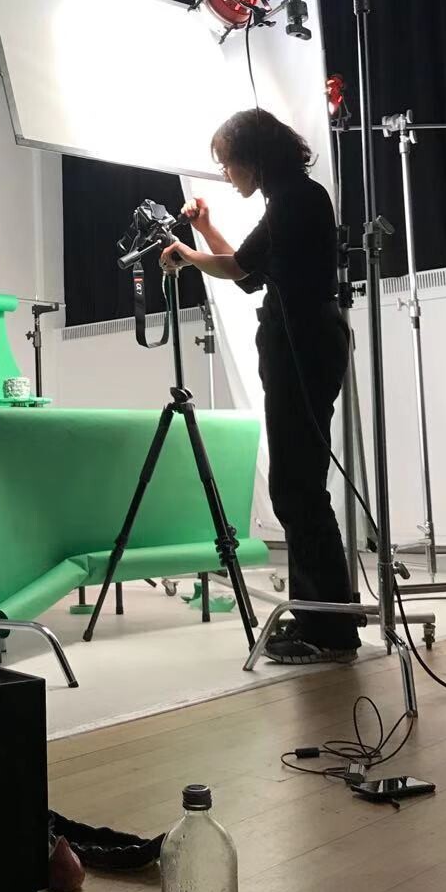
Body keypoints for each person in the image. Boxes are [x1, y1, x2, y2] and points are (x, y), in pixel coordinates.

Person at [160, 109, 360, 665]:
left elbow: (235, 269)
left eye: (227, 162)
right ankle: (325, 620)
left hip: (304, 350)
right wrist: (202, 233)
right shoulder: (293, 198)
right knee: (300, 487)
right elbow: (249, 273)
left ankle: (331, 631)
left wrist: (185, 254)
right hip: (304, 347)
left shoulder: (296, 198)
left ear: (253, 157)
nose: (225, 173)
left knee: (299, 489)